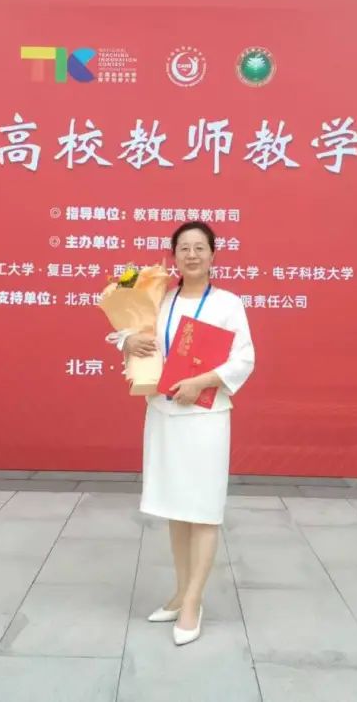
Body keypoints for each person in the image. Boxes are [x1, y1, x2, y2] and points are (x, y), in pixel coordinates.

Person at [111, 220, 255, 646]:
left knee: (204, 509)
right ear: (173, 256)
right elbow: (130, 328)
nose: (191, 255)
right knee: (176, 508)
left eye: (199, 248)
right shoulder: (160, 298)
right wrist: (127, 343)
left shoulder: (228, 304)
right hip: (164, 413)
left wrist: (201, 382)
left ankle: (193, 602)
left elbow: (244, 359)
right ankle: (179, 593)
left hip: (206, 416)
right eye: (183, 248)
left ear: (213, 254)